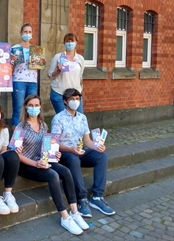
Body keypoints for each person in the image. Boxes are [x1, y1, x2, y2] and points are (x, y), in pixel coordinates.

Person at [16, 95, 89, 235]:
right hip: (27, 164)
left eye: (37, 105)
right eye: (31, 105)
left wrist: (54, 153)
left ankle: (74, 212)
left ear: (40, 107)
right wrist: (36, 163)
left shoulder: (43, 125)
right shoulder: (21, 127)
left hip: (43, 160)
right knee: (53, 175)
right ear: (25, 107)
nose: (34, 108)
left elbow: (47, 145)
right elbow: (17, 154)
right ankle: (65, 217)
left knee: (66, 172)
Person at [51, 88, 115, 218]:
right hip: (65, 153)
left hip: (80, 151)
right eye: (71, 99)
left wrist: (97, 146)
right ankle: (82, 199)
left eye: (77, 99)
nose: (75, 101)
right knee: (73, 158)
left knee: (101, 156)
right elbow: (55, 143)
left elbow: (87, 140)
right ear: (65, 101)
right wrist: (70, 149)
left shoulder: (82, 118)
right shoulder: (58, 119)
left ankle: (97, 197)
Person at [48, 33, 85, 114]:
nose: (70, 43)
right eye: (67, 41)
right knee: (64, 119)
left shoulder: (80, 59)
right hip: (59, 93)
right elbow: (50, 74)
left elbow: (80, 76)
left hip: (75, 94)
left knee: (79, 118)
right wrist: (57, 71)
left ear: (76, 42)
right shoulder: (58, 57)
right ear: (64, 43)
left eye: (72, 41)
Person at [11, 23, 38, 127]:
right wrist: (12, 61)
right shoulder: (15, 49)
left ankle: (28, 134)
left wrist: (41, 63)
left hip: (33, 82)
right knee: (18, 110)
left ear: (32, 34)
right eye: (25, 32)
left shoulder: (36, 50)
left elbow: (37, 68)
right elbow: (9, 69)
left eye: (29, 32)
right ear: (21, 33)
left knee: (31, 110)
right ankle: (15, 139)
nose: (27, 34)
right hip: (18, 81)